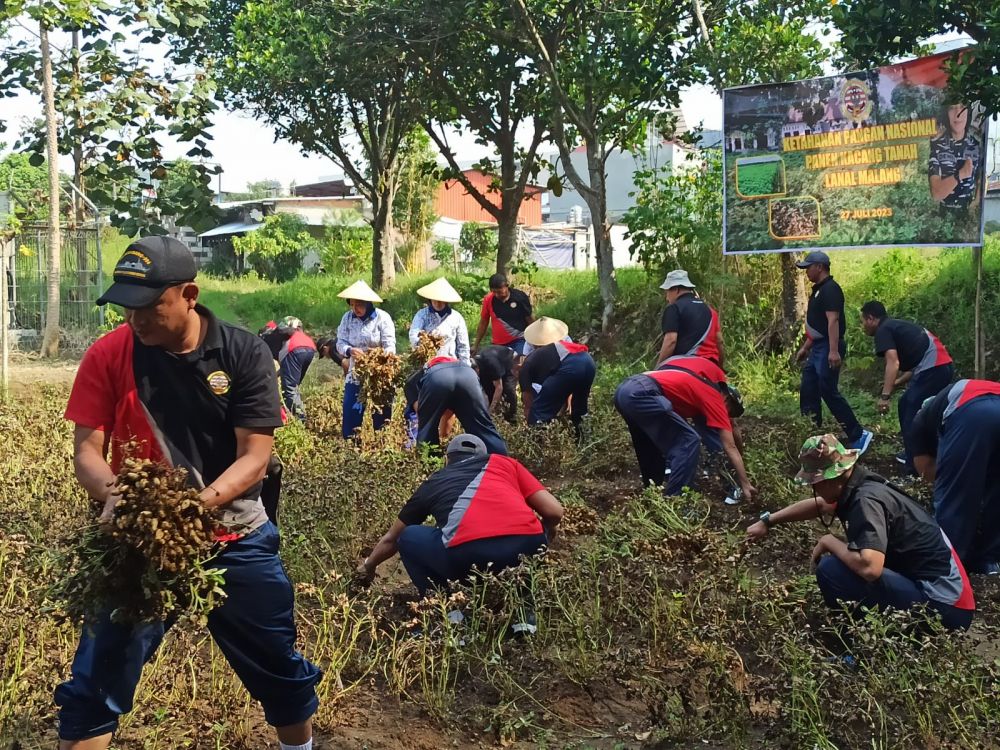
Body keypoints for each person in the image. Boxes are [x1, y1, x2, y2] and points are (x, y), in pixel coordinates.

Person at [57, 237, 320, 750]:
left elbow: (255, 457)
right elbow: (87, 451)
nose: (135, 320)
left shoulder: (242, 353)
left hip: (234, 533)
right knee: (96, 681)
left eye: (149, 307)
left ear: (189, 295)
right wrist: (116, 496)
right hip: (137, 537)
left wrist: (192, 507)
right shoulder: (109, 354)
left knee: (279, 669)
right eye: (126, 308)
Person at [746, 434, 975, 631]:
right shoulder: (861, 484)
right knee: (847, 557)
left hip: (945, 607)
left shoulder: (865, 501)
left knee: (831, 569)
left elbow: (870, 568)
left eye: (814, 483)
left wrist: (828, 541)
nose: (813, 489)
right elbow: (821, 506)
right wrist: (768, 521)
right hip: (953, 598)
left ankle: (856, 646)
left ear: (831, 479)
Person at [355, 434, 562, 633]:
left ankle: (451, 615)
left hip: (468, 556)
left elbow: (392, 538)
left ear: (447, 460)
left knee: (409, 536)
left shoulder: (435, 480)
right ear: (484, 454)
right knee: (533, 532)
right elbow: (554, 511)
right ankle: (524, 615)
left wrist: (368, 566)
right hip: (526, 547)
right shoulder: (505, 463)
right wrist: (546, 533)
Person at [613, 354, 754, 503]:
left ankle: (652, 496)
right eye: (730, 412)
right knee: (689, 441)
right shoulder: (715, 398)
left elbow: (733, 429)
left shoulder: (696, 387)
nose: (727, 416)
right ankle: (675, 501)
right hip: (643, 393)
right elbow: (730, 446)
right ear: (727, 398)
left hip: (625, 391)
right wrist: (745, 483)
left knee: (650, 445)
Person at [910, 379, 1000, 575]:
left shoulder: (920, 421)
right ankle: (989, 559)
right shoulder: (945, 401)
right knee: (996, 489)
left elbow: (925, 469)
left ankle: (947, 563)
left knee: (955, 496)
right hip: (987, 405)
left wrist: (951, 482)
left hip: (973, 412)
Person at [860, 301, 954, 470]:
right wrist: (896, 383)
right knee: (905, 404)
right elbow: (916, 365)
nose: (863, 327)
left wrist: (885, 397)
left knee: (912, 411)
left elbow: (893, 362)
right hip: (938, 367)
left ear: (871, 318)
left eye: (863, 322)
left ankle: (916, 466)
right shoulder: (895, 326)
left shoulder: (884, 330)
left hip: (935, 368)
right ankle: (913, 453)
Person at [795, 251, 872, 455]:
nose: (806, 272)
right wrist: (806, 347)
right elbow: (818, 326)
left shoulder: (830, 289)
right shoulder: (818, 290)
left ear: (820, 267)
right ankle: (812, 433)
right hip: (818, 346)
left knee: (827, 389)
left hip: (829, 346)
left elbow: (833, 321)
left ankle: (858, 434)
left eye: (808, 267)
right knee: (809, 386)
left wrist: (834, 350)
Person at [404, 355, 508, 455]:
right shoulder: (427, 373)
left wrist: (440, 438)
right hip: (467, 374)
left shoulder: (410, 385)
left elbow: (425, 416)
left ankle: (430, 463)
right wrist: (444, 437)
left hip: (438, 377)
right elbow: (448, 413)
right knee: (483, 427)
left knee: (427, 430)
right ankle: (501, 460)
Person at [335, 280, 396, 439]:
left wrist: (377, 355)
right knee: (351, 410)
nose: (356, 309)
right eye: (352, 305)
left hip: (379, 374)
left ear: (368, 303)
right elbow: (340, 343)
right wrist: (349, 350)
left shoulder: (382, 318)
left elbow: (390, 346)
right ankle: (351, 444)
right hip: (356, 373)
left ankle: (382, 443)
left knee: (381, 414)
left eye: (359, 305)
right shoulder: (347, 318)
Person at [519, 317, 596, 429]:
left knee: (538, 412)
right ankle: (583, 434)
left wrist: (530, 422)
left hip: (571, 368)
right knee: (579, 408)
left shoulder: (524, 370)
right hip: (588, 361)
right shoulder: (556, 347)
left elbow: (528, 405)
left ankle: (538, 435)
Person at [655, 269, 724, 368]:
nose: (667, 298)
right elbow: (720, 342)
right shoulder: (711, 311)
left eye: (667, 292)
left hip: (686, 366)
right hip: (711, 365)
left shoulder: (674, 308)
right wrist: (720, 368)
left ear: (676, 289)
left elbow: (671, 341)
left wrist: (658, 367)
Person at [929, 103, 981, 211]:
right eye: (952, 108)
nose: (958, 113)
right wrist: (961, 174)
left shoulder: (977, 145)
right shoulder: (937, 146)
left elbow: (981, 178)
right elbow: (936, 194)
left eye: (962, 107)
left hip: (968, 213)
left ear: (968, 112)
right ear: (946, 114)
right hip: (945, 214)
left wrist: (976, 201)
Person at [409, 277, 471, 365]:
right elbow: (414, 335)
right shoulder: (421, 315)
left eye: (441, 300)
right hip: (428, 364)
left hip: (450, 363)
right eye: (435, 300)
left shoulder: (456, 318)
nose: (438, 303)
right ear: (430, 299)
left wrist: (465, 366)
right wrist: (424, 344)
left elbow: (463, 345)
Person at [472, 273, 534, 356]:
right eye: (494, 292)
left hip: (519, 340)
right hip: (498, 344)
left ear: (507, 286)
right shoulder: (488, 299)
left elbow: (530, 320)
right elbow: (483, 322)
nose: (497, 295)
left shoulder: (520, 298)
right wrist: (476, 345)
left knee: (519, 361)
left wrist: (535, 341)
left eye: (500, 292)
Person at [271, 316, 317, 422]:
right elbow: (286, 368)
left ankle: (301, 419)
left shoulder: (275, 338)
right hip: (310, 347)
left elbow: (285, 364)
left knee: (289, 389)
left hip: (293, 348)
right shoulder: (299, 331)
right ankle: (299, 412)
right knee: (295, 386)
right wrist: (277, 374)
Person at [474, 345, 517, 423]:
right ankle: (496, 417)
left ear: (477, 369)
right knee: (489, 390)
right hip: (491, 366)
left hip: (507, 361)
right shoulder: (477, 365)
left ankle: (511, 417)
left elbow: (499, 387)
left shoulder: (491, 363)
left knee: (508, 390)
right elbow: (485, 392)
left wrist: (490, 411)